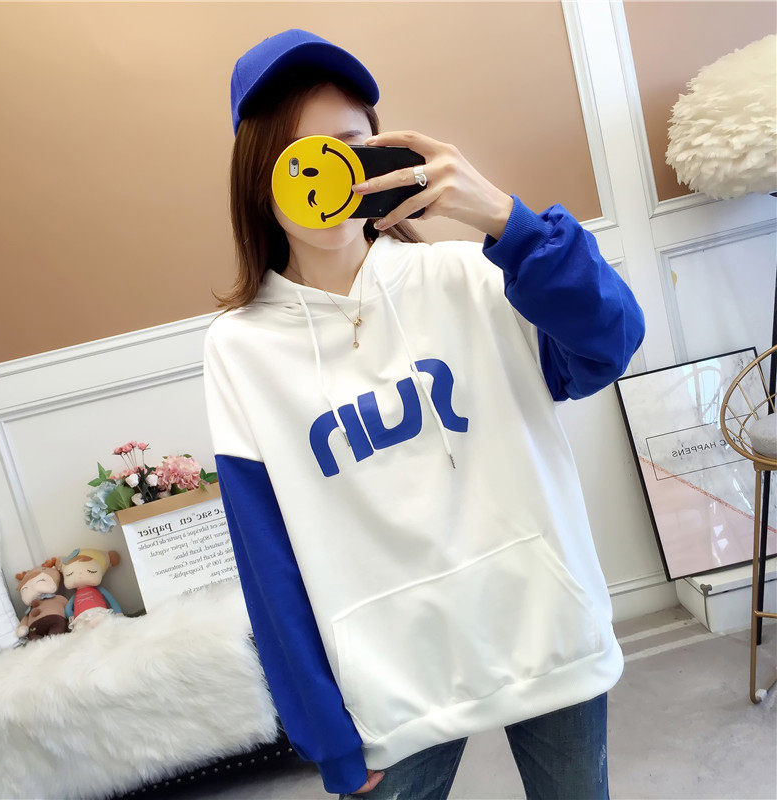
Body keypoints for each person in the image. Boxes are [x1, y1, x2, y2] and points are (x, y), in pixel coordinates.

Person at [203, 28, 645, 800]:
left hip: (545, 629)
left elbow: (610, 343)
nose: (329, 175)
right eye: (301, 157)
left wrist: (507, 221)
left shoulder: (473, 274)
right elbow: (267, 559)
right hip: (393, 681)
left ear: (382, 162)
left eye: (351, 150)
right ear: (259, 178)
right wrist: (325, 735)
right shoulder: (240, 349)